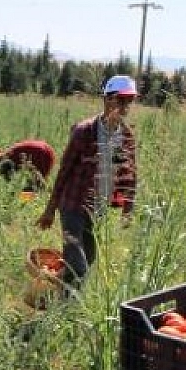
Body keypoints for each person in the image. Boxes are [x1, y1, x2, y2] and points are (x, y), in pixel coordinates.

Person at [38, 75, 140, 288]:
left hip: (97, 209)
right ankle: (67, 310)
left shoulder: (127, 136)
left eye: (129, 101)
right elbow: (64, 171)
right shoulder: (84, 131)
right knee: (79, 265)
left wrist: (127, 210)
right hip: (73, 205)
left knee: (89, 259)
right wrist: (50, 210)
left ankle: (54, 296)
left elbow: (131, 176)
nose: (125, 107)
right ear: (107, 99)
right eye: (120, 100)